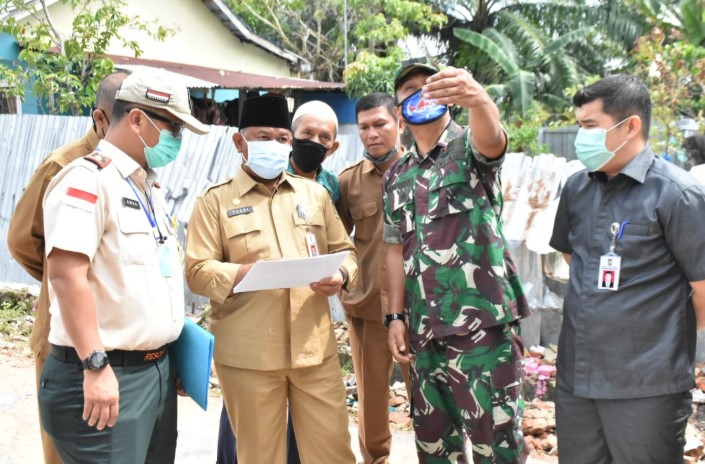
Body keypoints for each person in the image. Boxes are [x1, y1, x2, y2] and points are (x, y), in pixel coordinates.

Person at [36, 69, 209, 463]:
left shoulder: (146, 185)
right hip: (104, 373)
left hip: (154, 373)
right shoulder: (87, 180)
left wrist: (171, 361)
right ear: (136, 119)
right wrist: (95, 366)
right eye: (174, 128)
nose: (177, 140)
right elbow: (66, 275)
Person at [185, 94, 358, 464]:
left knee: (334, 454)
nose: (275, 146)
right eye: (263, 137)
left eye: (282, 138)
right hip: (249, 357)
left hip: (315, 352)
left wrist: (341, 274)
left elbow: (348, 251)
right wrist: (242, 274)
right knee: (260, 456)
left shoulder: (315, 196)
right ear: (239, 142)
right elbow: (197, 272)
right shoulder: (214, 202)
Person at [549, 74, 705, 464]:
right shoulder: (576, 188)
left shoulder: (678, 194)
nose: (579, 137)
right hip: (578, 378)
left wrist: (660, 338)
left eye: (589, 126)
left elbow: (703, 288)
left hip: (646, 385)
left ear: (630, 126)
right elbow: (575, 258)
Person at [382, 61, 530, 463]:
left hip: (480, 328)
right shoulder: (397, 174)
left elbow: (493, 138)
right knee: (434, 447)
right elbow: (394, 249)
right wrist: (395, 316)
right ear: (400, 111)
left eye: (431, 86)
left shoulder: (469, 147)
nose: (422, 94)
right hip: (423, 332)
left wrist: (479, 98)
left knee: (496, 443)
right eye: (410, 90)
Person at [6, 70, 128, 464]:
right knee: (67, 449)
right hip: (64, 336)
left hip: (121, 340)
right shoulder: (65, 165)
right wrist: (65, 281)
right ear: (101, 119)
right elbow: (22, 240)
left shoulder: (132, 170)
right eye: (128, 116)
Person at [335, 92, 410, 464]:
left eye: (380, 124)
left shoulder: (422, 172)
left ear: (399, 120)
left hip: (419, 309)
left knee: (430, 400)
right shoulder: (348, 182)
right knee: (372, 401)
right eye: (363, 127)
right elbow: (335, 242)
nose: (372, 134)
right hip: (367, 310)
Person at [287, 100, 341, 203]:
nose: (315, 141)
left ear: (333, 148)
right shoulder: (273, 176)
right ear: (291, 139)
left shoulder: (332, 184)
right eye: (307, 133)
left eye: (325, 137)